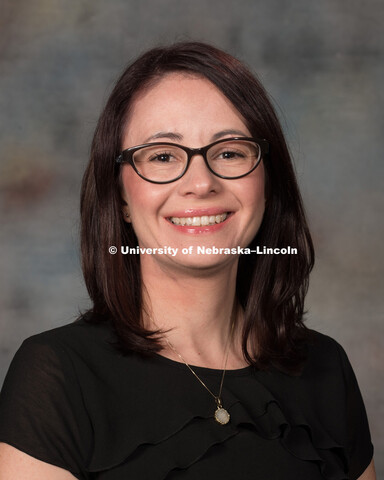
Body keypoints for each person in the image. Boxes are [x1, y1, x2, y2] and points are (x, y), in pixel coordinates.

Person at [0, 42, 376, 479]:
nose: (201, 182)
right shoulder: (57, 376)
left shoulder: (326, 369)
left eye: (230, 152)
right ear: (120, 195)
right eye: (162, 156)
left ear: (268, 184)